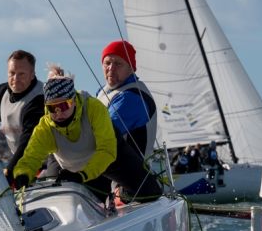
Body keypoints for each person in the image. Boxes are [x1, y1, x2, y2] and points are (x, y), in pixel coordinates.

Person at [11, 68, 161, 202]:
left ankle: (120, 194)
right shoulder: (45, 127)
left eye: (63, 105)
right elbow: (31, 157)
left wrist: (83, 175)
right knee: (54, 199)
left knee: (149, 192)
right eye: (52, 108)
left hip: (107, 159)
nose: (58, 113)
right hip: (72, 167)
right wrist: (23, 174)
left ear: (74, 101)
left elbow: (107, 150)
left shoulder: (94, 109)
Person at [0, 49, 45, 184]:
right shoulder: (2, 92)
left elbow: (28, 141)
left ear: (32, 75)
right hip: (20, 162)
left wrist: (9, 171)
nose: (15, 79)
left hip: (45, 163)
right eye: (12, 73)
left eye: (21, 74)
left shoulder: (39, 99)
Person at [95, 40, 157, 158]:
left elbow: (101, 134)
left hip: (127, 174)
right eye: (107, 63)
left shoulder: (131, 98)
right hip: (105, 169)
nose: (111, 68)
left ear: (131, 68)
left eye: (118, 64)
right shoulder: (104, 92)